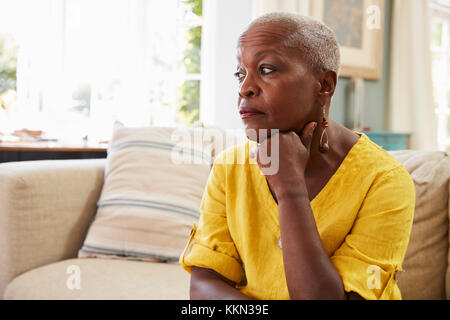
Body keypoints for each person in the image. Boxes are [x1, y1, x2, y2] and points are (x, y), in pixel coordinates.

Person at [179, 12, 415, 300]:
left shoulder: (385, 181)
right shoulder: (230, 168)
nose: (244, 88)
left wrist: (291, 191)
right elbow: (203, 286)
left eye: (266, 69)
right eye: (240, 73)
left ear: (324, 85)